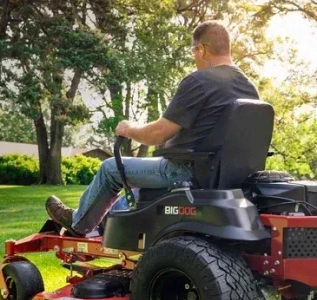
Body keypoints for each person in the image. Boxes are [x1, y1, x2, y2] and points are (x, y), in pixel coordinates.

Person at [45, 20, 260, 237]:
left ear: (202, 49)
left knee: (110, 169)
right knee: (138, 188)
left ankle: (78, 222)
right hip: (229, 178)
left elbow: (157, 134)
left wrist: (129, 129)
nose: (194, 59)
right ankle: (106, 223)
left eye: (193, 52)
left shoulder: (200, 81)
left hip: (186, 172)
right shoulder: (249, 87)